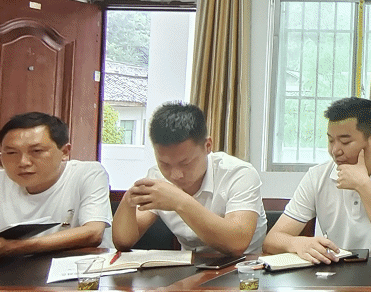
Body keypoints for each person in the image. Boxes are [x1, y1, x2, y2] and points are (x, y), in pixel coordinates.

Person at [264, 97, 371, 262]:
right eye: (331, 140)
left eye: (345, 142)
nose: (335, 151)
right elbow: (272, 240)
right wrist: (297, 243)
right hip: (333, 267)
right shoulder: (317, 176)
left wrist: (363, 185)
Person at [111, 102, 266, 257]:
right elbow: (123, 242)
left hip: (244, 265)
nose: (175, 175)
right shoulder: (157, 177)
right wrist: (128, 202)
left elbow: (237, 243)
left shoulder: (239, 174)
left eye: (185, 163)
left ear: (208, 146)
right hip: (189, 266)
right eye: (164, 164)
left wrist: (179, 201)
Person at [0, 112, 111, 264]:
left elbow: (93, 233)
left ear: (65, 152)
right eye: (11, 152)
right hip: (7, 272)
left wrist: (10, 247)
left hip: (77, 270)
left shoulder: (87, 174)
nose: (23, 162)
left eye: (37, 151)